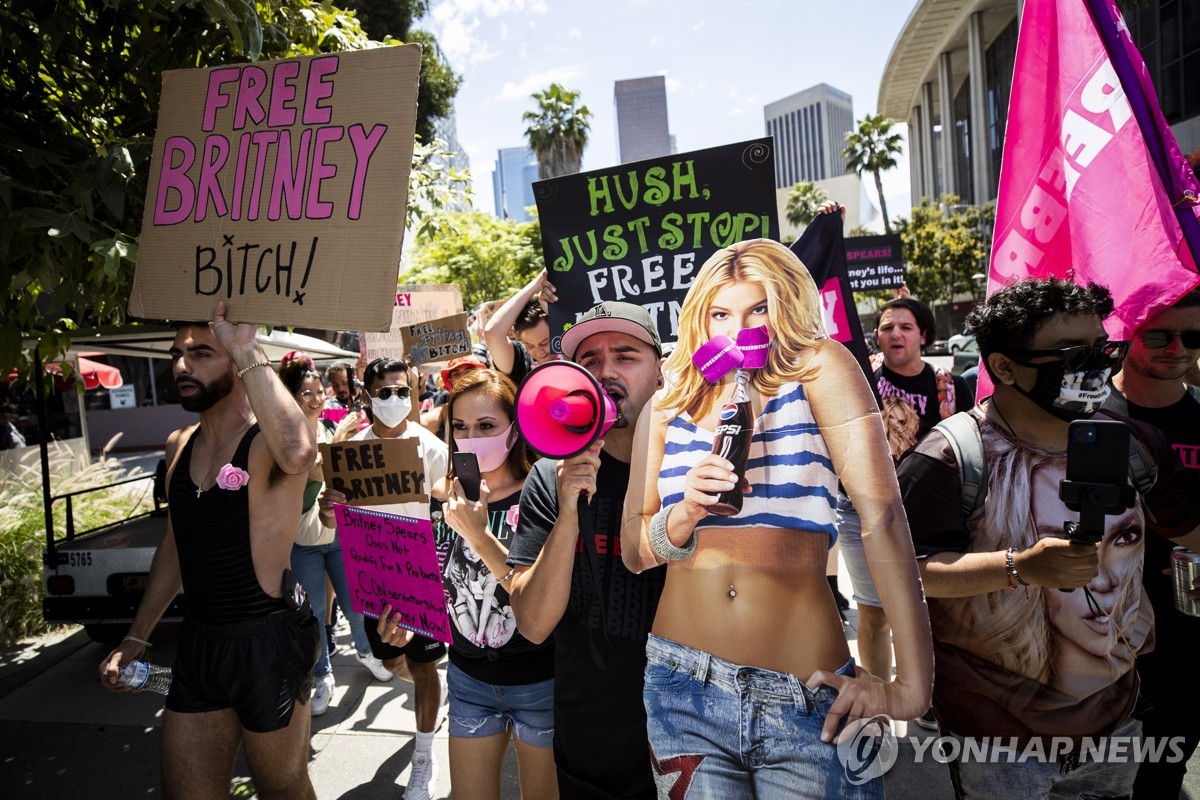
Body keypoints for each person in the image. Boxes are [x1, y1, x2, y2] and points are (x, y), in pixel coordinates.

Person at [622, 239, 932, 798]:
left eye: (757, 308)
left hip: (807, 694)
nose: (738, 326)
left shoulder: (819, 367)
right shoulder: (670, 401)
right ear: (701, 317)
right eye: (721, 313)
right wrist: (686, 509)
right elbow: (636, 552)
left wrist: (911, 686)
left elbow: (882, 516)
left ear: (784, 305)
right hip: (681, 688)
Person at [896, 278, 1200, 799]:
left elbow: (1190, 526)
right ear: (1004, 367)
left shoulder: (1135, 446)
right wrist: (1019, 567)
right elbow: (906, 577)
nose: (1092, 366)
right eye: (1068, 354)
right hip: (992, 742)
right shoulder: (948, 459)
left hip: (1117, 731)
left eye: (1099, 350)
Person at [99, 303, 320, 799]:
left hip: (270, 643)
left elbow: (300, 453)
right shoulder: (179, 443)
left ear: (238, 365)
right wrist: (137, 637)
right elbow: (178, 543)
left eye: (201, 353)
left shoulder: (267, 441)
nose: (182, 366)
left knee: (282, 789)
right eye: (177, 354)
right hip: (200, 644)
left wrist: (245, 346)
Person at [506, 301, 669, 799]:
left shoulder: (689, 468)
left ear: (660, 373)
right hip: (592, 745)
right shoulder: (546, 478)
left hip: (691, 737)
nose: (607, 372)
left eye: (625, 356)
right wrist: (569, 510)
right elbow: (533, 624)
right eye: (591, 361)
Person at [380, 368, 557, 799]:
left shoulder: (544, 491)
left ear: (514, 430)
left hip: (540, 682)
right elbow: (443, 582)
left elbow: (539, 598)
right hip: (468, 681)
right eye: (460, 426)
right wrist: (411, 621)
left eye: (486, 426)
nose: (471, 437)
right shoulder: (444, 498)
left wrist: (479, 534)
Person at [317, 357, 448, 800]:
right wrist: (325, 510)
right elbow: (333, 521)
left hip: (418, 574)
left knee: (424, 666)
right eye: (386, 392)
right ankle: (429, 691)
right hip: (372, 580)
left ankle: (424, 758)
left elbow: (454, 502)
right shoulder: (349, 453)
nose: (396, 400)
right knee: (393, 663)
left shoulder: (428, 447)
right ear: (368, 395)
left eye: (403, 392)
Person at [846, 297, 971, 715]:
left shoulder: (951, 387)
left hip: (928, 516)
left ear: (923, 335)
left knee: (928, 608)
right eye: (886, 327)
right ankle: (878, 701)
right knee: (875, 612)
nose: (895, 333)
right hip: (863, 512)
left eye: (905, 326)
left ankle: (929, 694)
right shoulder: (859, 382)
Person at [1103, 286, 1200, 799]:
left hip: (1186, 631)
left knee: (1163, 767)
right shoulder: (1085, 415)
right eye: (1160, 333)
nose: (1178, 348)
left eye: (1194, 335)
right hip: (1093, 625)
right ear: (1129, 332)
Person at [278, 354, 393, 719]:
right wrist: (342, 440)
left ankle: (367, 652)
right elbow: (316, 470)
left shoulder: (326, 430)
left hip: (338, 535)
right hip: (303, 541)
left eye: (318, 392)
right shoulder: (288, 437)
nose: (316, 399)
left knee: (356, 603)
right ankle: (322, 677)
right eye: (306, 393)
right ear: (291, 397)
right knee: (313, 616)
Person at [483, 270, 560, 385]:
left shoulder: (573, 347)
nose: (539, 352)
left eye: (544, 342)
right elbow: (492, 334)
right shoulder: (522, 363)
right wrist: (537, 283)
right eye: (530, 345)